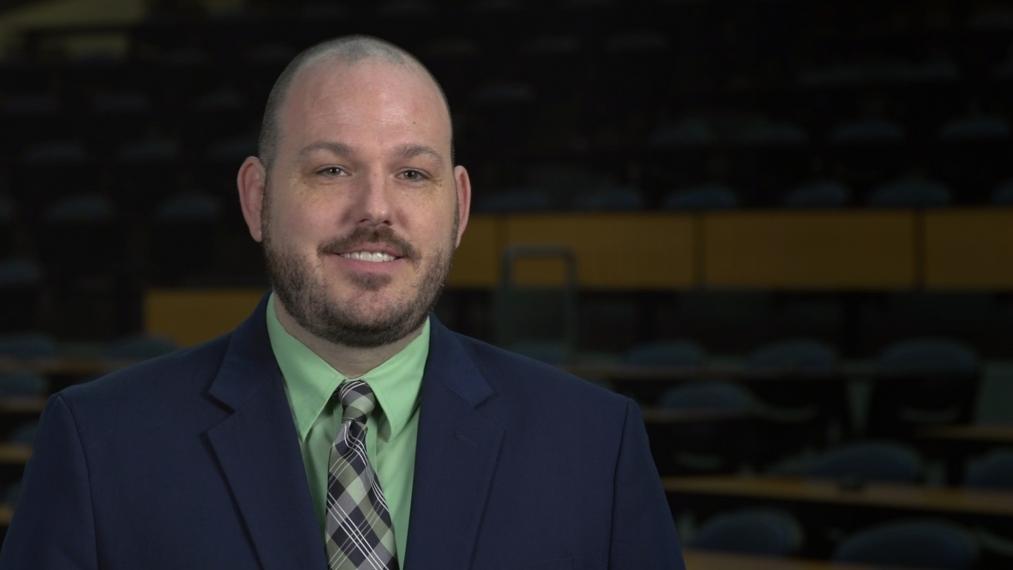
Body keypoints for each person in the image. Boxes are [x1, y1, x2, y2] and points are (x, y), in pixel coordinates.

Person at [0, 35, 684, 569]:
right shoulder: (97, 446)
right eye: (331, 170)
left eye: (412, 174)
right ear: (256, 199)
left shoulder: (596, 446)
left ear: (459, 207)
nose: (375, 210)